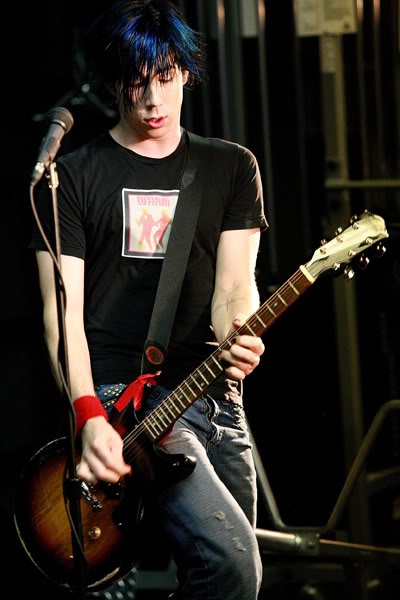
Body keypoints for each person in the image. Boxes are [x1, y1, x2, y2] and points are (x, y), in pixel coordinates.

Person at [30, 1, 268, 598]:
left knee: (239, 581)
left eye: (165, 78)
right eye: (137, 84)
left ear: (186, 72)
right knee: (234, 567)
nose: (154, 101)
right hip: (123, 405)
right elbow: (63, 320)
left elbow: (235, 287)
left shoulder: (230, 167)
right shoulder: (72, 178)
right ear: (114, 85)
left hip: (215, 396)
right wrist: (87, 413)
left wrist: (237, 334)